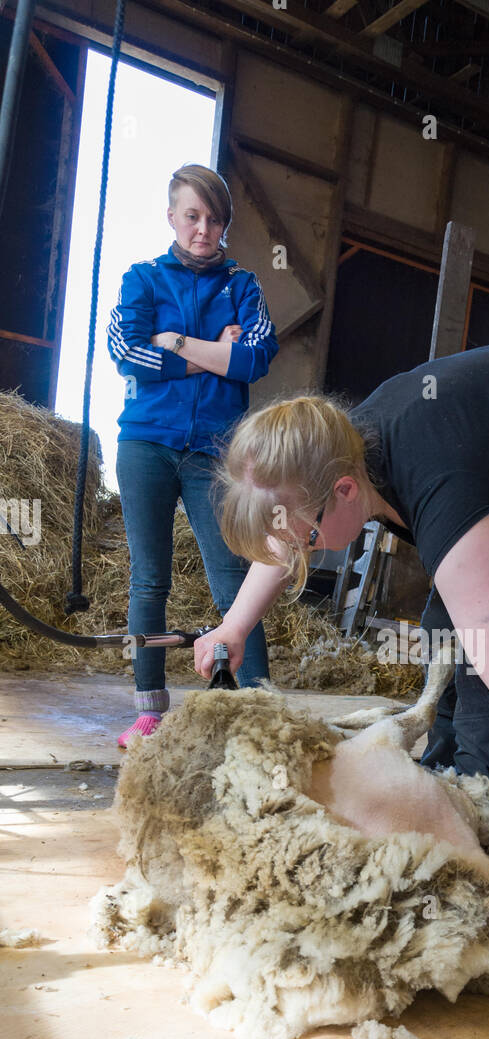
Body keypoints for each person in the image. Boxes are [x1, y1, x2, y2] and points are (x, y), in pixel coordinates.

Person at [193, 342, 489, 951]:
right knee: (448, 624)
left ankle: (476, 850)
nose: (302, 553)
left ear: (343, 491)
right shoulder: (332, 450)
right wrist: (233, 626)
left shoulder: (432, 480)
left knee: (486, 660)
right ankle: (443, 803)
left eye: (308, 538)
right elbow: (289, 532)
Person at [107, 162, 279, 747]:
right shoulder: (143, 278)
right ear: (172, 216)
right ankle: (150, 708)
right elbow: (125, 352)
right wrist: (212, 352)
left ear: (225, 225)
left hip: (216, 452)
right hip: (146, 445)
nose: (203, 229)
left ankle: (257, 702)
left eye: (215, 219)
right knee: (148, 580)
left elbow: (256, 357)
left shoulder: (243, 285)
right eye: (192, 216)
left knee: (232, 576)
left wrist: (174, 340)